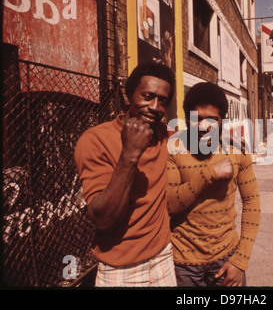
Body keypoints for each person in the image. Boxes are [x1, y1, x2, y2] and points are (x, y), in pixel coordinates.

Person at [74, 62, 177, 287]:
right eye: (148, 96)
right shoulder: (95, 140)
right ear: (129, 95)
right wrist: (130, 154)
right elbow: (103, 220)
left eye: (163, 101)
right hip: (121, 269)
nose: (154, 106)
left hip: (163, 257)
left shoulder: (163, 135)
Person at [166, 82, 261, 287]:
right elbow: (169, 205)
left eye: (212, 119)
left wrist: (241, 260)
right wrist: (208, 174)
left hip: (227, 258)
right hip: (183, 265)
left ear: (222, 122)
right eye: (196, 119)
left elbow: (252, 203)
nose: (203, 126)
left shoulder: (236, 150)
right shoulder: (174, 149)